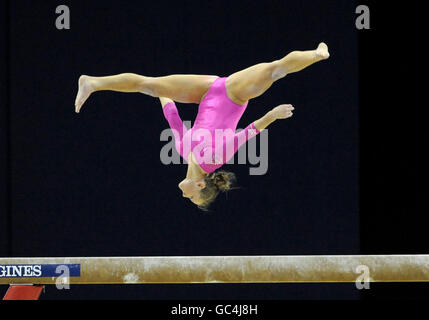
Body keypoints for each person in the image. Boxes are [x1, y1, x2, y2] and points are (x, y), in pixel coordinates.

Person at [74, 42, 330, 209]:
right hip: (233, 93)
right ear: (199, 185)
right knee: (275, 70)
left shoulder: (184, 152)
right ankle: (317, 55)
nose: (185, 197)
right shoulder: (212, 161)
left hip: (207, 90)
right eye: (192, 198)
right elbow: (245, 135)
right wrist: (272, 115)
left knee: (147, 85)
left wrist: (160, 91)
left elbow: (172, 117)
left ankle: (93, 83)